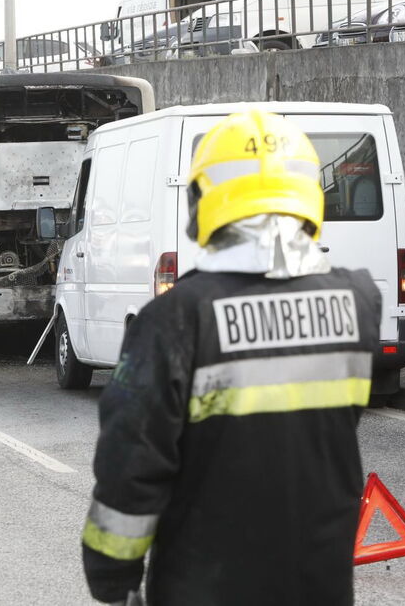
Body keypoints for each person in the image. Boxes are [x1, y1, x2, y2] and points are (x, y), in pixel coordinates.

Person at [81, 111, 381, 605]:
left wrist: (113, 581)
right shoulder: (359, 302)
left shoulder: (173, 320)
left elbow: (131, 467)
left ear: (203, 203)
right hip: (320, 586)